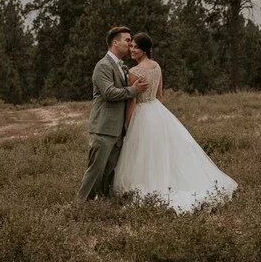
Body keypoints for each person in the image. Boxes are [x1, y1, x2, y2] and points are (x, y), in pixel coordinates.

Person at [114, 32, 238, 212]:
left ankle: (151, 184)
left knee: (144, 152)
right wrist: (155, 111)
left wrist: (128, 124)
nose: (132, 50)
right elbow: (159, 94)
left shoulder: (134, 72)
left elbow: (132, 101)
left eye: (136, 47)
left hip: (142, 112)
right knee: (162, 151)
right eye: (131, 46)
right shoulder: (156, 66)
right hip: (157, 111)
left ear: (144, 50)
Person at [76, 26, 149, 202]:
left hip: (117, 128)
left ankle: (104, 202)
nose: (131, 44)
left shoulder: (121, 65)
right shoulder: (103, 66)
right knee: (96, 169)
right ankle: (79, 205)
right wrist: (133, 90)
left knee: (110, 170)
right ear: (115, 43)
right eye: (127, 40)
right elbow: (109, 93)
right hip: (103, 127)